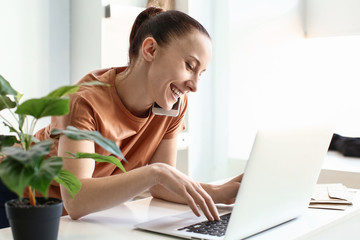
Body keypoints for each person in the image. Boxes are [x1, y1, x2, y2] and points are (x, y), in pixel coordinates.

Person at [34, 7, 243, 221]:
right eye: (190, 66)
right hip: (19, 199)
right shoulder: (84, 101)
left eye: (201, 73)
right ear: (150, 49)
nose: (195, 85)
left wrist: (219, 193)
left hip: (68, 219)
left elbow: (163, 187)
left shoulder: (172, 104)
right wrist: (155, 172)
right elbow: (76, 200)